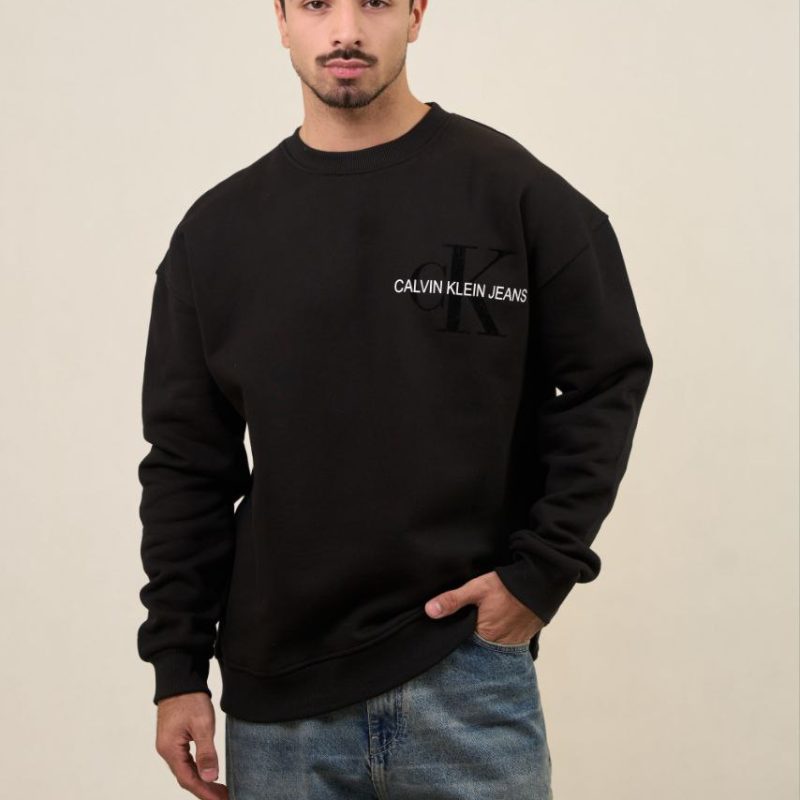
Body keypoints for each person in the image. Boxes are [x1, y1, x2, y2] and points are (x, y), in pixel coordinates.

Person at [136, 1, 654, 797]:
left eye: (375, 1)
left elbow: (607, 375)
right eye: (317, 3)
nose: (345, 29)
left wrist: (541, 573)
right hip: (281, 703)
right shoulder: (218, 233)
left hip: (467, 676)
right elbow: (186, 463)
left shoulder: (513, 195)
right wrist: (177, 668)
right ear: (281, 19)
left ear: (416, 14)